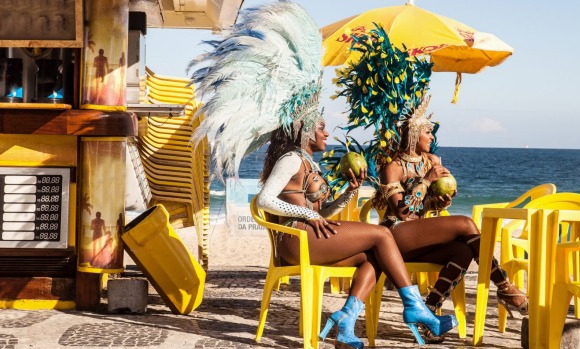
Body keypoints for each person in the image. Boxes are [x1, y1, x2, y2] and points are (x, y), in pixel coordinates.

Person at [189, 2, 457, 347]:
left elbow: (322, 216)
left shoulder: (307, 162)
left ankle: (345, 321)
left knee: (377, 254)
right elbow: (266, 199)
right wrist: (305, 214)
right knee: (381, 236)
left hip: (310, 236)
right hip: (296, 242)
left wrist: (346, 194)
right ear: (304, 130)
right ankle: (415, 308)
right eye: (321, 128)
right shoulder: (290, 158)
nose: (327, 134)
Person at [334, 24, 528, 343]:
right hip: (395, 235)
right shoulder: (391, 166)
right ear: (413, 134)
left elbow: (431, 206)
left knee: (463, 250)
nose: (432, 137)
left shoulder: (432, 161)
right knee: (467, 223)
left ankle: (430, 310)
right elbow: (401, 210)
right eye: (427, 133)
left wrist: (442, 197)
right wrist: (425, 182)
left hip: (421, 233)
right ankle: (505, 288)